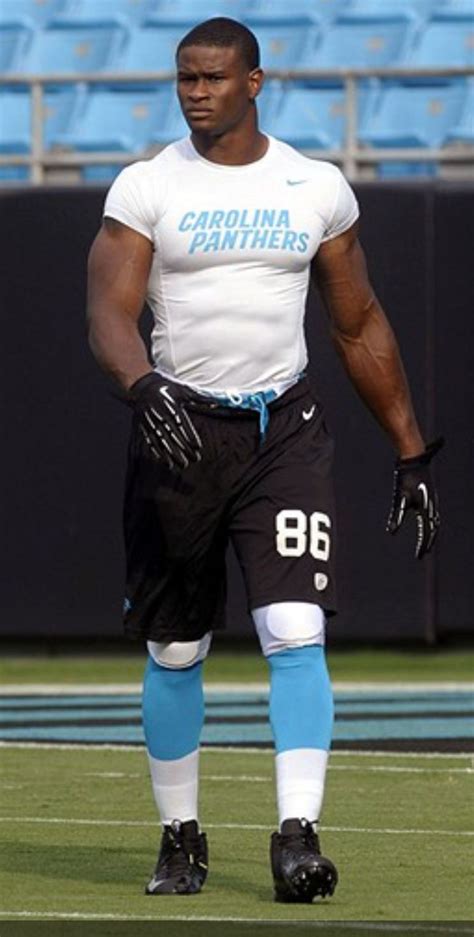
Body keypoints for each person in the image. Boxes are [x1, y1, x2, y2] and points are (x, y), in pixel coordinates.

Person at [86, 17, 442, 904]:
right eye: (185, 77)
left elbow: (357, 324)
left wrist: (408, 448)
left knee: (295, 626)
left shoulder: (313, 186)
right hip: (180, 429)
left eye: (212, 77)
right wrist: (142, 385)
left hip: (283, 428)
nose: (195, 92)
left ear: (254, 81)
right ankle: (181, 834)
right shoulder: (147, 185)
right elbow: (108, 312)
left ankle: (297, 835)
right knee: (176, 644)